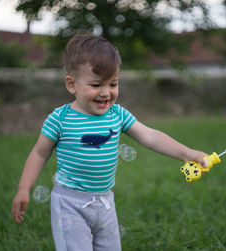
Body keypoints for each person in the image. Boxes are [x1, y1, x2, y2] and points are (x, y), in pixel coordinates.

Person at [12, 33, 208, 251]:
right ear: (71, 84)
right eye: (96, 84)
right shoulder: (60, 119)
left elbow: (150, 136)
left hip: (105, 203)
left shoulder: (117, 115)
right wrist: (23, 188)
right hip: (70, 203)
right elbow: (40, 153)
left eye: (113, 83)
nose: (106, 93)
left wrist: (187, 153)